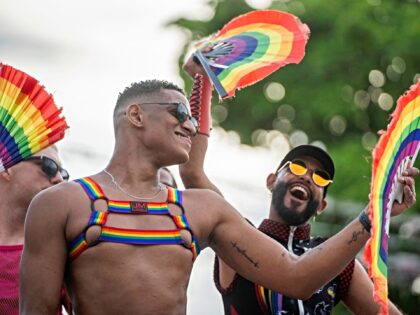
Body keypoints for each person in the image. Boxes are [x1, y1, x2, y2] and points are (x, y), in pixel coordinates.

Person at [20, 77, 417, 315]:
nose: (190, 125)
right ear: (137, 116)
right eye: (180, 114)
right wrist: (203, 81)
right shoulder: (60, 204)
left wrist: (376, 211)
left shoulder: (202, 211)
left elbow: (297, 279)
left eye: (192, 119)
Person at [179, 59, 408, 314]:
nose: (307, 176)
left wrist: (386, 200)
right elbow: (192, 172)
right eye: (297, 167)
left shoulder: (341, 264)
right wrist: (203, 80)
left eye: (320, 178)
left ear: (322, 205)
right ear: (271, 181)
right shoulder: (236, 232)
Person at [0, 146, 71, 315]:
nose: (60, 179)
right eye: (49, 167)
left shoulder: (63, 250)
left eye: (63, 173)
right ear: (7, 167)